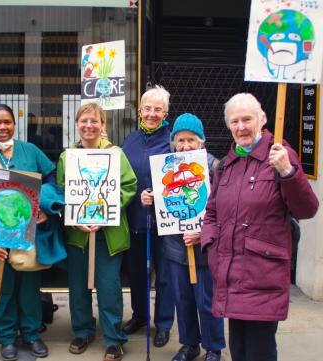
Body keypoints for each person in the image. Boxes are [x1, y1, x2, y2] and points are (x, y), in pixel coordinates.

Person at [201, 93, 319, 361]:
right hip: (230, 274)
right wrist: (211, 247)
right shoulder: (227, 165)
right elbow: (212, 212)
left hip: (262, 276)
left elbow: (307, 209)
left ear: (261, 119)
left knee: (259, 352)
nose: (241, 127)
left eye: (247, 119)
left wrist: (289, 172)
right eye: (235, 121)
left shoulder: (280, 155)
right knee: (239, 350)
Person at [0, 104, 56, 360]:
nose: (3, 127)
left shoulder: (30, 151)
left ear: (14, 124)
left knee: (29, 285)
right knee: (1, 286)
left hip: (25, 232)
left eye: (7, 122)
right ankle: (6, 336)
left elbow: (51, 177)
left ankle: (31, 334)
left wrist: (45, 207)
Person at [57, 103, 137, 361]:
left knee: (109, 286)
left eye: (94, 121)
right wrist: (73, 215)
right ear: (77, 124)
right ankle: (82, 331)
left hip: (108, 233)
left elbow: (129, 185)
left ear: (103, 125)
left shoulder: (116, 154)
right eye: (84, 121)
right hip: (78, 233)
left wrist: (106, 212)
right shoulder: (66, 157)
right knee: (78, 286)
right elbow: (61, 190)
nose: (89, 125)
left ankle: (114, 338)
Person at [142, 113, 225, 361]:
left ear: (201, 141)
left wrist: (203, 233)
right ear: (173, 142)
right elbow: (162, 195)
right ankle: (190, 344)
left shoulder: (214, 167)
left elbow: (225, 208)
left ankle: (213, 347)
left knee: (207, 301)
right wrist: (149, 196)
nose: (186, 145)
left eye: (191, 140)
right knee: (183, 300)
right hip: (176, 249)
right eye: (180, 140)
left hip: (205, 249)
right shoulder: (166, 166)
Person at [121, 87, 175, 346]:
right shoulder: (129, 140)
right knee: (137, 273)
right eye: (147, 109)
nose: (152, 114)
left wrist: (160, 196)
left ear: (165, 113)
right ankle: (140, 315)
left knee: (165, 276)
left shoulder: (174, 142)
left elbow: (182, 183)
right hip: (135, 219)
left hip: (165, 224)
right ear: (139, 111)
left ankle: (163, 323)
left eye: (157, 109)